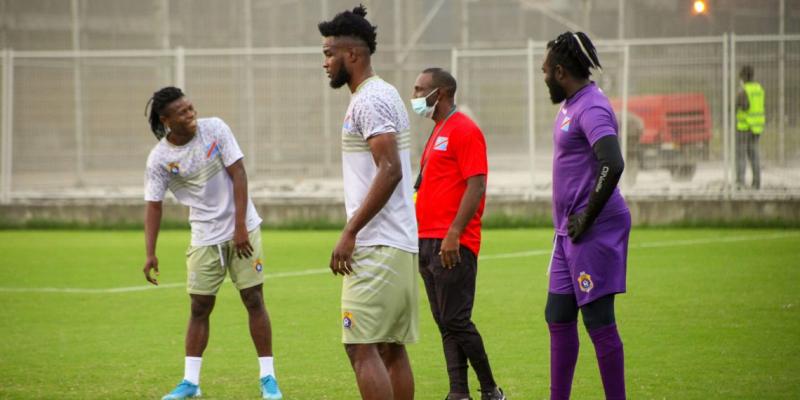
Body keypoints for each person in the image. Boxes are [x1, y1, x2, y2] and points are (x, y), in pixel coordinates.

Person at [142, 87, 283, 400]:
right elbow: (154, 205)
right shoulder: (161, 159)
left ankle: (268, 378)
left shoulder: (215, 129)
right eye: (182, 113)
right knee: (199, 306)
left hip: (242, 229)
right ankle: (190, 382)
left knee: (253, 299)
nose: (191, 115)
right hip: (205, 235)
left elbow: (239, 174)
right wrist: (150, 253)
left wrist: (241, 226)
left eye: (191, 108)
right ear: (166, 120)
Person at [319, 5, 419, 400]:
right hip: (397, 243)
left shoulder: (369, 100)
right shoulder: (384, 93)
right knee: (390, 348)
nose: (325, 63)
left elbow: (390, 169)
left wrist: (349, 232)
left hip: (377, 245)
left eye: (330, 54)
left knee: (360, 347)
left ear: (353, 55)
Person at [541, 32, 631, 400]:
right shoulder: (570, 104)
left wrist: (587, 216)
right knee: (558, 315)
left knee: (598, 321)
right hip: (568, 232)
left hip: (593, 228)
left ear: (561, 71)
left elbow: (613, 162)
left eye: (545, 69)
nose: (542, 74)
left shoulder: (591, 106)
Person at [411, 67, 506, 400]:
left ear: (443, 93)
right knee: (445, 322)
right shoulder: (437, 131)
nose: (415, 96)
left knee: (456, 319)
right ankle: (458, 392)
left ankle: (491, 390)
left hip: (452, 243)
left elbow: (477, 183)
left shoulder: (465, 129)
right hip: (426, 241)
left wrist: (453, 233)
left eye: (421, 89)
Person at [735, 65, 765, 190]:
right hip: (756, 127)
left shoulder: (744, 90)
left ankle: (740, 183)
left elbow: (743, 106)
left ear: (743, 77)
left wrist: (734, 105)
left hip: (744, 127)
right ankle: (757, 183)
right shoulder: (759, 89)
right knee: (754, 156)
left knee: (741, 156)